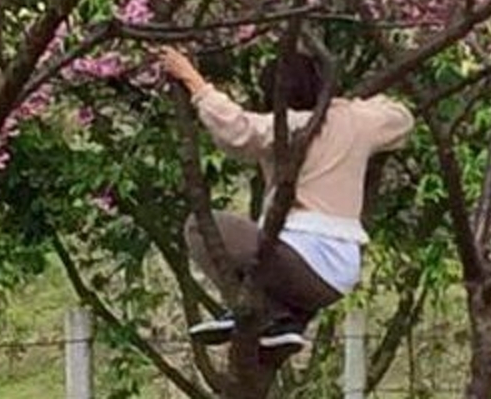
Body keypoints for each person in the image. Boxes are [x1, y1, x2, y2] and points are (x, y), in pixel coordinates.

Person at [159, 46, 414, 350]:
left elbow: (237, 130)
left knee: (199, 226)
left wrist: (193, 80)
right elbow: (401, 117)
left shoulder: (285, 127)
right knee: (268, 248)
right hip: (338, 274)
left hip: (297, 262)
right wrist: (344, 105)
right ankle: (283, 322)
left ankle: (255, 311)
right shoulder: (355, 122)